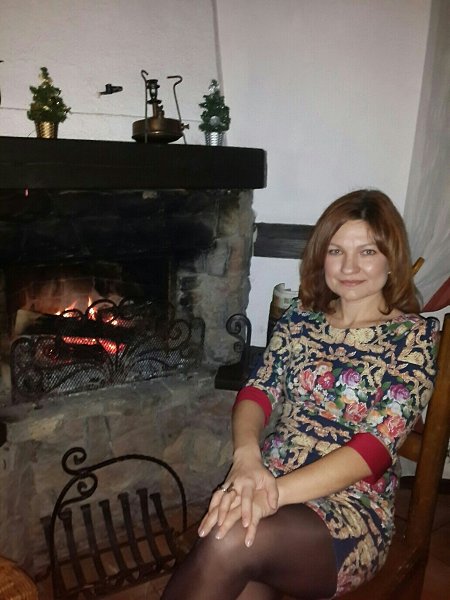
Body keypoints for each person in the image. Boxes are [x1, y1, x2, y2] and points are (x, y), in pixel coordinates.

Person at [162, 189, 438, 600]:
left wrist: (271, 495)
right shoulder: (300, 320)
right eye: (336, 251)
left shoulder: (413, 339)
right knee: (236, 553)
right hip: (270, 475)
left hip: (349, 506)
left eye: (366, 252)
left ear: (391, 258)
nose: (349, 266)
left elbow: (375, 450)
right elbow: (258, 390)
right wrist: (246, 459)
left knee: (229, 536)